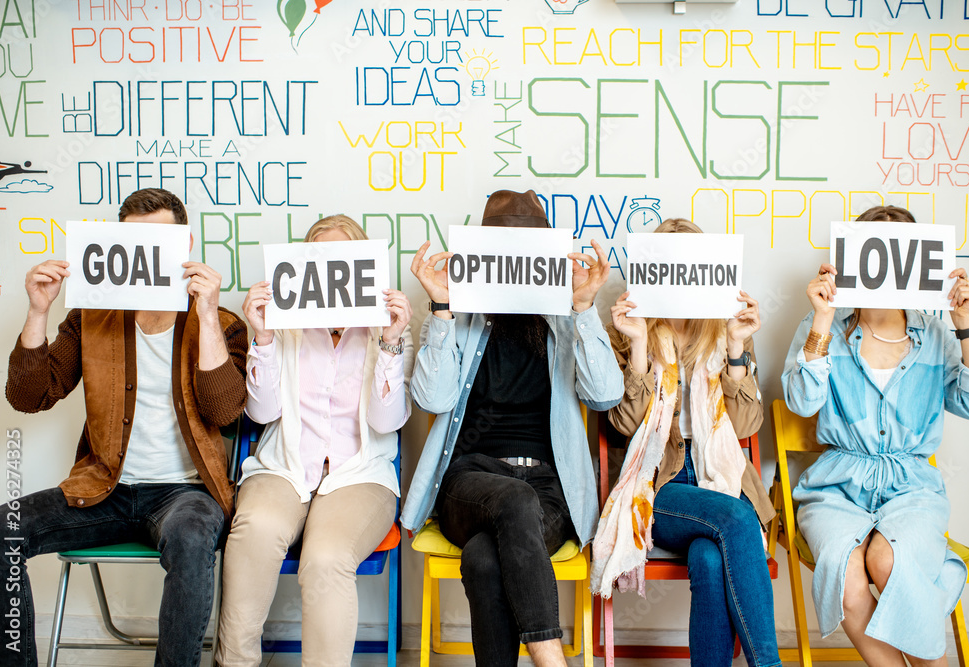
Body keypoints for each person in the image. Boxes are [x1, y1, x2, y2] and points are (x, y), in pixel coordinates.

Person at [0, 188, 248, 667]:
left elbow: (225, 411)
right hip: (104, 487)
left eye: (160, 242)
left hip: (185, 493)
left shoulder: (223, 323)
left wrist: (208, 313)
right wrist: (38, 311)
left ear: (185, 245)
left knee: (193, 542)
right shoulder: (92, 317)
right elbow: (28, 396)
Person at [401, 189, 624, 667]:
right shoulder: (459, 318)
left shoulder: (566, 320)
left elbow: (605, 395)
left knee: (484, 559)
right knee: (512, 503)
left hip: (547, 485)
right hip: (470, 480)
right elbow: (432, 399)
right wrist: (440, 308)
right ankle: (552, 660)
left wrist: (584, 308)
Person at [781, 205, 969, 666]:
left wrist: (966, 323)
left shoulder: (935, 334)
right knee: (846, 568)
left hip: (912, 487)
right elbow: (801, 401)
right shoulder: (825, 328)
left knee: (887, 559)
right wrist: (821, 319)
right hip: (836, 486)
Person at [215, 215, 414, 667]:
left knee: (326, 559)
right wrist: (262, 336)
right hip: (283, 465)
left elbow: (387, 423)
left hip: (360, 474)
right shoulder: (284, 326)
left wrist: (391, 343)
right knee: (254, 531)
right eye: (318, 257)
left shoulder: (387, 329)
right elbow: (262, 413)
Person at [592, 218, 781, 667]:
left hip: (719, 478)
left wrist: (737, 347)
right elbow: (624, 425)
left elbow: (746, 423)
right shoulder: (628, 330)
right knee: (735, 517)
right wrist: (638, 345)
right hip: (657, 485)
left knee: (710, 560)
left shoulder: (723, 331)